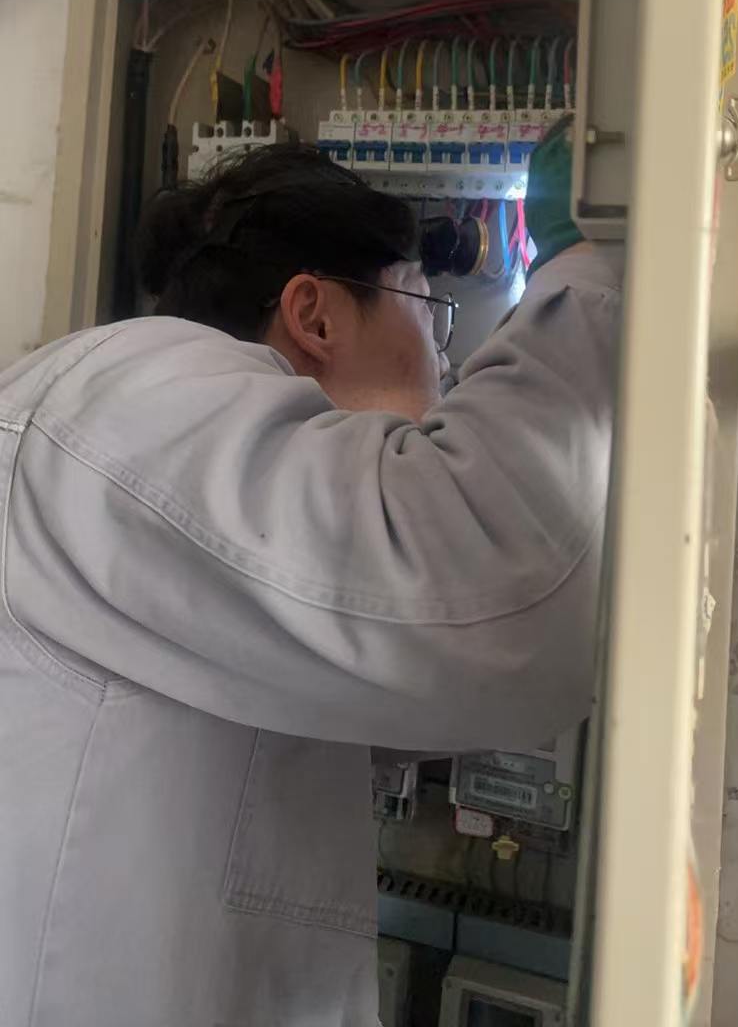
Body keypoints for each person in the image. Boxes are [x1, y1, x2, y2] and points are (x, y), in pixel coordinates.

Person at [0, 137, 622, 1027]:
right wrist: (589, 263)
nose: (444, 363)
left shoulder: (160, 441)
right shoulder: (130, 404)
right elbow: (494, 601)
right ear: (315, 316)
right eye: (431, 314)